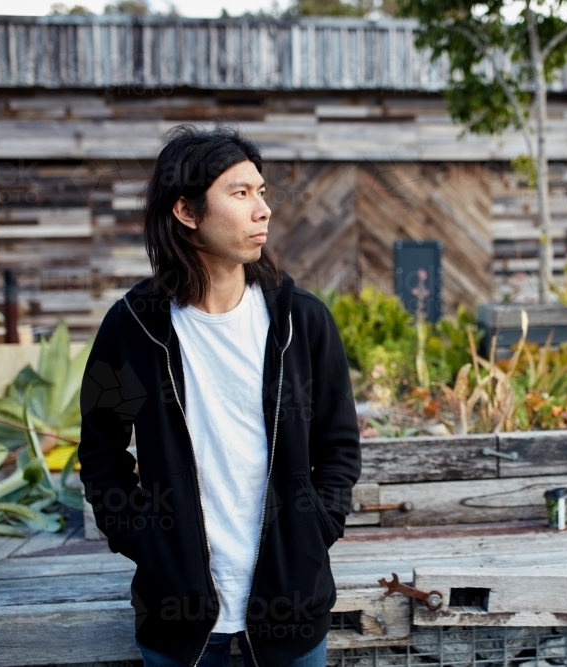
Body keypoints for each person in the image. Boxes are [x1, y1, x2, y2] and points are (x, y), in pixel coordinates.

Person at [78, 124, 361, 667]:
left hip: (291, 614)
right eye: (239, 193)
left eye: (261, 192)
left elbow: (339, 444)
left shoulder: (302, 321)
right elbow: (101, 452)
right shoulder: (133, 326)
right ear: (186, 212)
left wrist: (315, 529)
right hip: (178, 621)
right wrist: (141, 540)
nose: (263, 210)